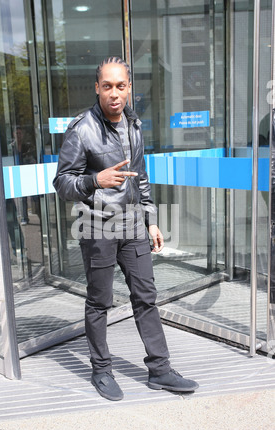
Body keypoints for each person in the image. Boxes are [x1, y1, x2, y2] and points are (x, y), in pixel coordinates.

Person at [53, 57, 199, 401]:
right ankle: (101, 371)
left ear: (129, 87)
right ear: (97, 88)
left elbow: (141, 179)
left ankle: (160, 371)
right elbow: (61, 183)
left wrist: (151, 219)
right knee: (99, 302)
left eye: (121, 86)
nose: (114, 93)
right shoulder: (81, 129)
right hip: (97, 226)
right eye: (107, 86)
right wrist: (94, 180)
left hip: (133, 224)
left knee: (145, 297)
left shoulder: (134, 124)